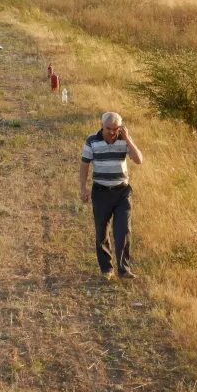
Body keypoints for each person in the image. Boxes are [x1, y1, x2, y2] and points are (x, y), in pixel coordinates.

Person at [79, 112, 144, 280]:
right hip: (100, 192)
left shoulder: (123, 140)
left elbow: (139, 160)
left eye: (116, 129)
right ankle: (107, 269)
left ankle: (124, 269)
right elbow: (84, 165)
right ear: (102, 125)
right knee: (102, 232)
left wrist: (128, 139)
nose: (112, 132)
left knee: (123, 231)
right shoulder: (91, 140)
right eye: (109, 129)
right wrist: (83, 188)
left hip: (122, 192)